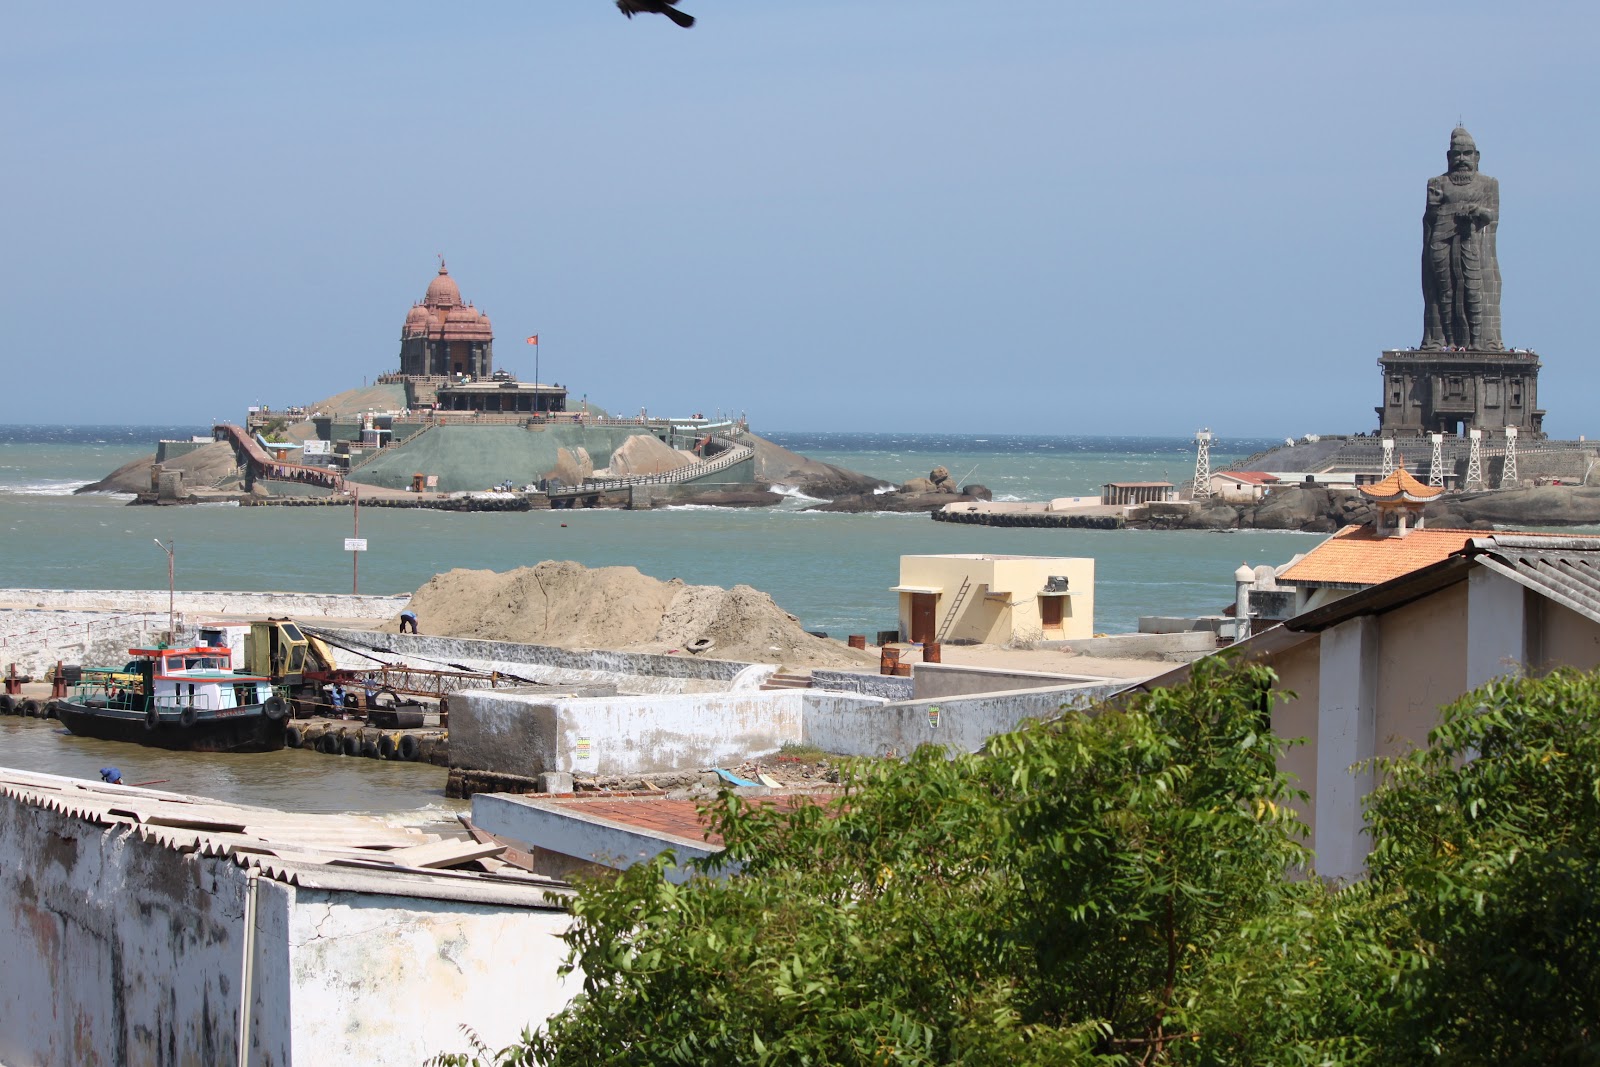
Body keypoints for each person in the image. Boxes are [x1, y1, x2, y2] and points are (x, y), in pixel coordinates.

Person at [1421, 126, 1502, 351]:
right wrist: (1434, 208)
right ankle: (1447, 342)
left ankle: (1477, 343)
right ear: (1449, 157)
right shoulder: (1437, 183)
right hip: (1441, 241)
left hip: (1472, 242)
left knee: (1473, 290)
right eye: (1456, 154)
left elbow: (1492, 217)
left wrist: (1477, 211)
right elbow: (1429, 218)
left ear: (1477, 157)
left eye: (1467, 154)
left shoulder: (1488, 184)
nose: (1462, 159)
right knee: (1443, 293)